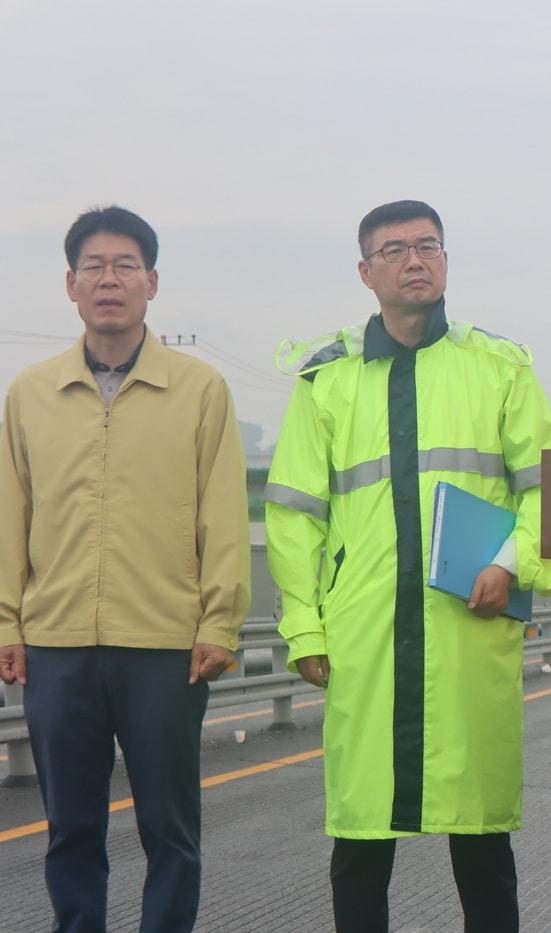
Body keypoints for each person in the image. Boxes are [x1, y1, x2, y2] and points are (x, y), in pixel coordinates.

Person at [265, 200, 551, 932]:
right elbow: (294, 513)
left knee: (481, 838)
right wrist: (305, 628)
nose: (415, 261)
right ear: (366, 271)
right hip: (364, 635)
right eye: (395, 249)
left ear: (446, 259)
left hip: (468, 624)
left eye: (428, 246)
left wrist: (514, 562)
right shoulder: (326, 380)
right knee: (362, 839)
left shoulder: (498, 367)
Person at [0, 207, 250, 933]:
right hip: (58, 645)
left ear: (152, 282)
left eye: (125, 266)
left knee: (170, 830)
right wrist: (8, 620)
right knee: (70, 832)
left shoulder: (200, 390)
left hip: (166, 647)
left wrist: (220, 619)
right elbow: (10, 515)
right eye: (94, 267)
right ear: (71, 285)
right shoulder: (31, 394)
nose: (109, 279)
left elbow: (224, 515)